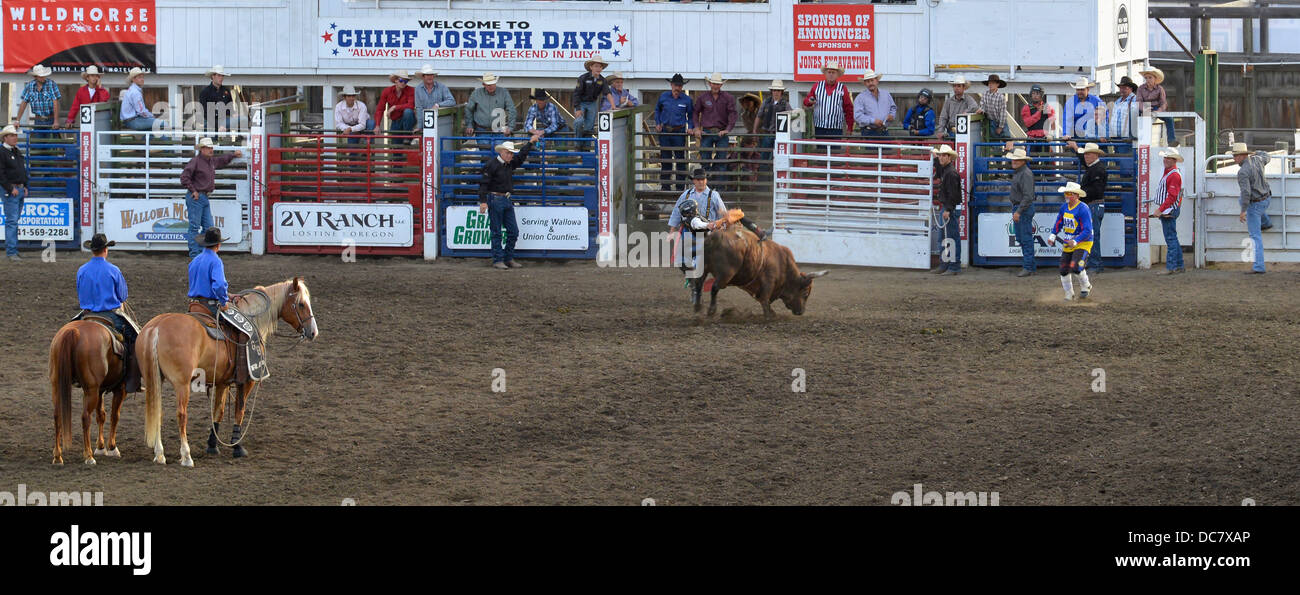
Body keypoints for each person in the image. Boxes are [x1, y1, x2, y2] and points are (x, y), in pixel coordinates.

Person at [77, 233, 141, 392]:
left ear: (92, 251)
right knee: (136, 339)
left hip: (86, 314)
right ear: (106, 250)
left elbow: (80, 293)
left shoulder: (82, 270)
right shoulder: (113, 270)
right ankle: (133, 380)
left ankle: (74, 374)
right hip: (110, 314)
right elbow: (123, 296)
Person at [479, 134, 542, 270]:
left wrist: (530, 143)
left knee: (513, 231)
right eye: (508, 153)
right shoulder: (491, 165)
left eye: (511, 153)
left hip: (505, 198)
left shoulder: (508, 164)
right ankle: (498, 259)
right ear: (502, 152)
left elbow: (521, 156)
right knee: (496, 231)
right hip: (495, 199)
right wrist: (483, 201)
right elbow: (483, 184)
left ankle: (507, 258)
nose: (510, 156)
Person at [181, 138, 243, 257]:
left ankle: (200, 253)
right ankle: (195, 254)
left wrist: (233, 155)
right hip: (197, 196)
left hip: (201, 196)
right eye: (208, 148)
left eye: (211, 148)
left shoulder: (209, 161)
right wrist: (193, 190)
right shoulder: (196, 161)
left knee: (206, 227)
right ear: (202, 149)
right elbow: (184, 177)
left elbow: (222, 160)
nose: (211, 150)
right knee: (196, 227)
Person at [1047, 181, 1094, 301]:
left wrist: (1076, 240)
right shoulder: (1064, 207)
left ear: (1077, 195)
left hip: (1084, 242)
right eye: (1066, 193)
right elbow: (1059, 222)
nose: (1067, 196)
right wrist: (1053, 234)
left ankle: (1086, 286)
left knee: (1076, 266)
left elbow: (1087, 230)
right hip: (1069, 241)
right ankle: (1069, 293)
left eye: (1070, 193)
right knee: (1063, 269)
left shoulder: (1083, 209)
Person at [1066, 141, 1108, 273]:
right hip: (1094, 205)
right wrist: (1075, 147)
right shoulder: (1096, 167)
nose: (1086, 156)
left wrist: (1079, 194)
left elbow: (1095, 191)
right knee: (1091, 234)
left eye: (1088, 154)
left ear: (1095, 155)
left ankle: (1095, 264)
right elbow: (1083, 159)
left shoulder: (1097, 170)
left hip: (1094, 204)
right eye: (1086, 154)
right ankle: (1095, 263)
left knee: (1091, 235)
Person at [1232, 142, 1273, 274]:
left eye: (1236, 156)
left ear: (1243, 156)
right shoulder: (1258, 159)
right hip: (1267, 198)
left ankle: (1259, 266)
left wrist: (1243, 211)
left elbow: (1246, 193)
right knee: (1256, 210)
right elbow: (1266, 155)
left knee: (1255, 236)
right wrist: (1255, 152)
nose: (1234, 158)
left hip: (1255, 203)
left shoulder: (1243, 172)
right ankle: (1266, 222)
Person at [693, 73, 737, 183]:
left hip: (721, 132)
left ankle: (720, 188)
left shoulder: (728, 98)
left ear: (721, 85)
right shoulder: (702, 97)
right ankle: (707, 187)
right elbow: (695, 112)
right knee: (705, 161)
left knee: (721, 161)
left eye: (718, 84)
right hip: (706, 132)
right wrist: (697, 128)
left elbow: (733, 114)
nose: (715, 86)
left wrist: (727, 129)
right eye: (714, 83)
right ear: (710, 84)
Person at [654, 74, 695, 192]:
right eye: (675, 85)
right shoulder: (663, 97)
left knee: (680, 160)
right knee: (666, 159)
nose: (677, 88)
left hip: (679, 131)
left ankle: (680, 188)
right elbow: (657, 110)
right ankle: (665, 186)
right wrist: (657, 122)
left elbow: (691, 115)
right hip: (665, 131)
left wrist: (690, 127)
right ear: (671, 85)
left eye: (680, 86)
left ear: (682, 87)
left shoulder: (687, 100)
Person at [1151, 147, 1185, 275]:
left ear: (1174, 160)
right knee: (1172, 237)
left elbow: (1172, 196)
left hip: (1169, 210)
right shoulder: (1172, 173)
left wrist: (1160, 209)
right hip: (1169, 209)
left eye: (1168, 158)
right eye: (1165, 157)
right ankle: (1179, 265)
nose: (1165, 160)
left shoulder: (1173, 175)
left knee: (1170, 238)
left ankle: (1171, 266)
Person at [187, 226, 234, 320]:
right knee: (234, 327)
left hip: (193, 305)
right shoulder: (216, 261)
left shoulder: (195, 260)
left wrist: (226, 294)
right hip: (209, 306)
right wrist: (224, 302)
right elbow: (219, 285)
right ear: (218, 245)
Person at [930, 145, 962, 275]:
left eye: (944, 155)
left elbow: (953, 194)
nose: (941, 157)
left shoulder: (950, 173)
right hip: (949, 207)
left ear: (949, 157)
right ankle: (946, 264)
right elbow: (939, 170)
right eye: (940, 155)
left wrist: (948, 209)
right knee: (945, 237)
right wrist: (936, 159)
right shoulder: (947, 171)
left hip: (950, 208)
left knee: (951, 237)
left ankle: (953, 266)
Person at [1006, 147, 1037, 276]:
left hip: (1022, 208)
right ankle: (1029, 265)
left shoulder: (1025, 174)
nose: (1014, 161)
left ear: (1023, 161)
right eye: (1014, 159)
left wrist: (1018, 211)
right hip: (1021, 208)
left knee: (1025, 238)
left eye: (1017, 160)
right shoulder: (1022, 172)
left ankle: (1028, 266)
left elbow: (1028, 196)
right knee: (1023, 237)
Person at [803, 61, 854, 138]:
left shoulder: (843, 88)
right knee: (821, 150)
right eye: (829, 72)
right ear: (825, 74)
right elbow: (806, 101)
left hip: (836, 128)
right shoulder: (817, 86)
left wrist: (849, 127)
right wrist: (809, 101)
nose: (831, 74)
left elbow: (848, 109)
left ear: (837, 74)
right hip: (820, 127)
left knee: (835, 150)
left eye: (833, 72)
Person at [0, 124, 29, 261]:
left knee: (13, 220)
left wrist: (25, 185)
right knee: (12, 221)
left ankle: (12, 250)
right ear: (5, 138)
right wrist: (10, 188)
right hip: (12, 189)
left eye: (15, 135)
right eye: (12, 135)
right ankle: (11, 251)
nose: (15, 137)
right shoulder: (3, 152)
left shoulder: (15, 151)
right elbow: (1, 174)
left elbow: (21, 170)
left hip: (18, 189)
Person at [572, 54, 610, 138]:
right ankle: (578, 143)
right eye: (596, 66)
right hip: (581, 102)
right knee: (579, 121)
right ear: (591, 67)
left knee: (589, 127)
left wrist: (613, 106)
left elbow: (607, 93)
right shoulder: (583, 78)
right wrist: (577, 108)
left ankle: (586, 148)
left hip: (592, 103)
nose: (598, 68)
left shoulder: (602, 80)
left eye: (600, 67)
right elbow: (576, 93)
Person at [1137, 66, 1175, 146]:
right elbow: (1139, 101)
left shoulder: (1160, 89)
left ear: (1155, 79)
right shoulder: (1140, 88)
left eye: (1150, 78)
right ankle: (1134, 136)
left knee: (1170, 119)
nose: (1148, 80)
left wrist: (1159, 111)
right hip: (1145, 107)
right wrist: (1144, 109)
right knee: (1133, 113)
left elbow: (1163, 103)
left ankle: (1171, 140)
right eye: (1146, 78)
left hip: (1156, 108)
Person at [852, 69, 894, 138]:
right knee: (872, 149)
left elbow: (893, 108)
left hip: (884, 131)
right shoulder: (860, 98)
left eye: (872, 80)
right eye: (868, 81)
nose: (870, 83)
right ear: (865, 83)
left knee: (886, 149)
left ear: (877, 81)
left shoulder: (886, 94)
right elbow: (857, 116)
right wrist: (873, 121)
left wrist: (892, 115)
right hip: (868, 132)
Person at [15, 64, 60, 128]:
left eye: (44, 76)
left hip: (51, 119)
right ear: (35, 77)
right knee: (38, 137)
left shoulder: (51, 84)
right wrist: (17, 120)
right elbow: (23, 103)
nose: (43, 78)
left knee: (51, 137)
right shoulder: (29, 86)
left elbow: (55, 103)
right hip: (38, 119)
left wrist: (56, 121)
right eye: (41, 76)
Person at [936, 75, 978, 140]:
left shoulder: (968, 99)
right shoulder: (948, 101)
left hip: (964, 132)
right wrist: (940, 131)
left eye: (959, 86)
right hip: (951, 131)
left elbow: (975, 107)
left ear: (964, 88)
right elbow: (943, 117)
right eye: (954, 86)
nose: (956, 88)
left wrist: (966, 112)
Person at [198, 65, 238, 133]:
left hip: (223, 122)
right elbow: (205, 113)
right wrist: (218, 126)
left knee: (242, 119)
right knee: (210, 141)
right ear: (213, 76)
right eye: (219, 75)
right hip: (209, 122)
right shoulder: (205, 92)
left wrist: (233, 114)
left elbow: (229, 108)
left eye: (222, 76)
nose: (221, 78)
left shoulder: (226, 91)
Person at [375, 69, 416, 133]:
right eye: (401, 80)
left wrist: (394, 107)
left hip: (408, 123)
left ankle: (407, 136)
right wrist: (377, 125)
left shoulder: (411, 90)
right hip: (395, 121)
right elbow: (380, 109)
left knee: (408, 112)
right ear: (395, 80)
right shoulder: (387, 91)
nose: (403, 83)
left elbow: (411, 105)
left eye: (405, 81)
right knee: (395, 142)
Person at [754, 80, 791, 151]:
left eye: (778, 90)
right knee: (765, 155)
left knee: (777, 155)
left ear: (781, 92)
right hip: (766, 133)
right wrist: (754, 130)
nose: (776, 92)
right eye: (774, 90)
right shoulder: (766, 102)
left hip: (779, 135)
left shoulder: (785, 104)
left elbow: (791, 117)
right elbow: (759, 116)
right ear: (772, 91)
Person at [975, 74, 1008, 138]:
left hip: (1001, 122)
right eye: (989, 83)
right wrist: (981, 110)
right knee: (994, 142)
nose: (990, 84)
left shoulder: (1001, 97)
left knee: (1007, 140)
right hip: (991, 122)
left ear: (997, 85)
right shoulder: (985, 94)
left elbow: (1003, 113)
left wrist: (1000, 127)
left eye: (992, 83)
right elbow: (983, 105)